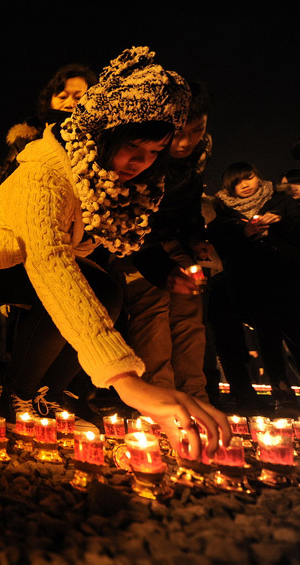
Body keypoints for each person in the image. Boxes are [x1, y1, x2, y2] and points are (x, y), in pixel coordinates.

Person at [0, 47, 230, 458]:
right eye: (134, 146)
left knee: (107, 290)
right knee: (72, 291)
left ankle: (51, 390)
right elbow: (50, 262)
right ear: (106, 133)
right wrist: (127, 382)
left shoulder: (111, 177)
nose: (141, 162)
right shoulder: (45, 171)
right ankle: (19, 393)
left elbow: (129, 239)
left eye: (155, 153)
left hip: (43, 258)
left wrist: (165, 271)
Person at [110, 81, 215, 403]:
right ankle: (161, 398)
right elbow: (131, 221)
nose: (185, 142)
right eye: (179, 132)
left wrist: (199, 245)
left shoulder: (192, 164)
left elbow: (190, 213)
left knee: (188, 320)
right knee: (151, 314)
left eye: (196, 131)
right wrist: (164, 269)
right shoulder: (142, 159)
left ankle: (195, 397)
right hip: (138, 248)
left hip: (177, 249)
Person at [207, 162, 300, 416]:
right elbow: (220, 245)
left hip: (289, 277)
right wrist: (244, 233)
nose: (245, 185)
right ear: (228, 188)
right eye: (237, 182)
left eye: (248, 177)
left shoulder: (280, 200)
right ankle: (282, 391)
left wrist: (279, 223)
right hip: (253, 285)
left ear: (258, 177)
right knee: (268, 337)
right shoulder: (223, 214)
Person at [0, 63, 98, 185]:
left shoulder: (99, 142)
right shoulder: (27, 138)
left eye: (78, 98)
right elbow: (0, 185)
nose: (70, 103)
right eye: (62, 97)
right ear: (49, 101)